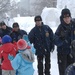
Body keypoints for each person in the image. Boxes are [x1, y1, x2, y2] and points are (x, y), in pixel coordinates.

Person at [54, 8, 75, 75]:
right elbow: (55, 40)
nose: (67, 19)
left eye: (68, 17)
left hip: (73, 53)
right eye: (65, 17)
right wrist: (62, 40)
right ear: (62, 18)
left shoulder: (73, 26)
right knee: (63, 72)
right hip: (62, 55)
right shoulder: (60, 28)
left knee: (72, 71)